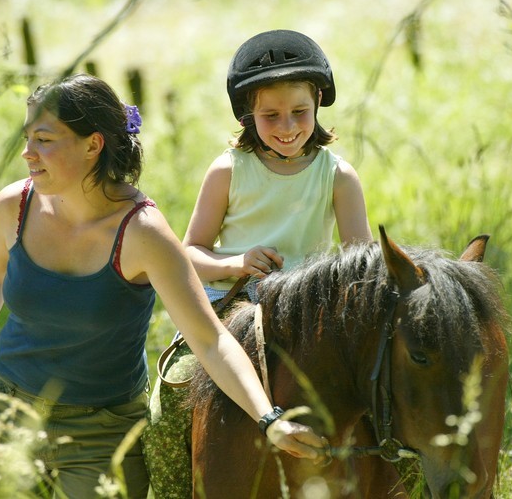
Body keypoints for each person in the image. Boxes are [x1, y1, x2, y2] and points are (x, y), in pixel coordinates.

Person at [0, 73, 325, 498]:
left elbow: (209, 339)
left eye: (43, 140)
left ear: (92, 145)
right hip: (3, 412)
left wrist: (269, 419)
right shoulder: (14, 206)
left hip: (103, 432)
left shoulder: (142, 232)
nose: (28, 153)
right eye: (27, 138)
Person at [142, 29, 373, 498]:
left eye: (299, 112)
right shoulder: (228, 170)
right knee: (170, 403)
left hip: (311, 315)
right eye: (271, 115)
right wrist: (237, 263)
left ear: (319, 102)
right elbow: (191, 254)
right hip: (230, 311)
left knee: (388, 390)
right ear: (248, 114)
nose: (287, 126)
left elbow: (362, 266)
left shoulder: (338, 176)